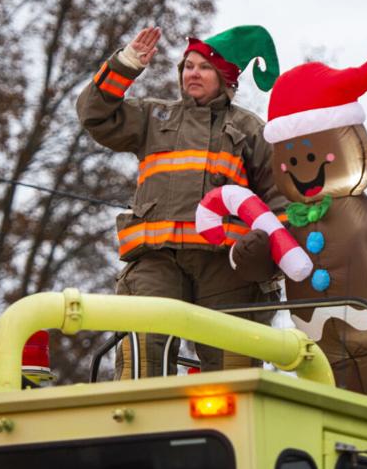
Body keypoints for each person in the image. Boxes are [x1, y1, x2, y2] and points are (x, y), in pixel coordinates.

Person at [77, 25, 284, 377]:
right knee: (142, 347)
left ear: (225, 77)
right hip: (157, 258)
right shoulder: (153, 117)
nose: (193, 73)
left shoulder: (250, 129)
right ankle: (137, 409)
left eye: (204, 67)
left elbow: (277, 195)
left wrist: (271, 253)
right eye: (188, 66)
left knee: (232, 361)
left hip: (225, 266)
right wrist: (126, 64)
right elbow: (94, 114)